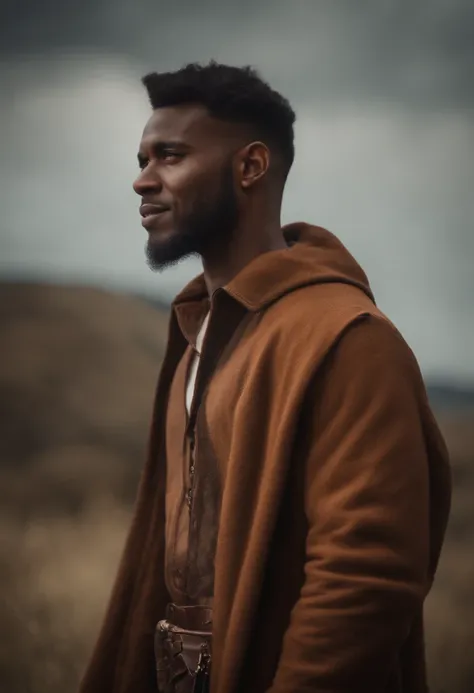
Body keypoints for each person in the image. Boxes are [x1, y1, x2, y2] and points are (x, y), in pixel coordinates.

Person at [79, 62, 451, 693]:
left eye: (169, 156)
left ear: (250, 167)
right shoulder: (195, 336)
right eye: (142, 158)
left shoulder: (349, 339)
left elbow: (366, 577)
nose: (142, 180)